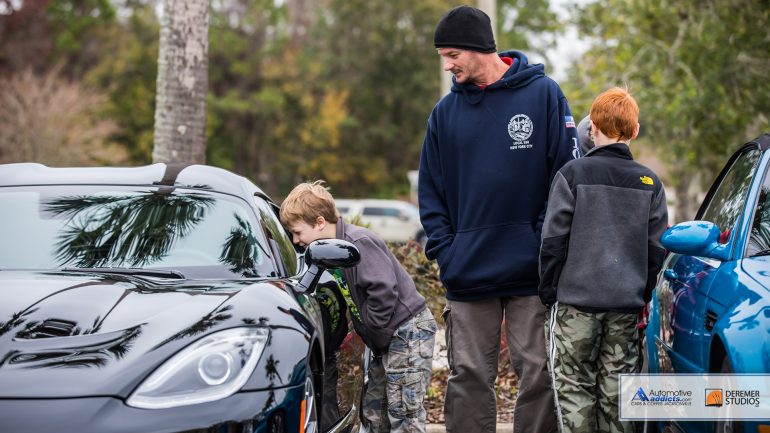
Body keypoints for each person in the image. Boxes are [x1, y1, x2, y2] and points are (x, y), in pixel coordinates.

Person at [418, 5, 580, 433]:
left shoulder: (544, 95)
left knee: (540, 375)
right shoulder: (444, 116)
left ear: (478, 49)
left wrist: (543, 246)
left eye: (452, 54)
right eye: (443, 55)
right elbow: (431, 195)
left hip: (532, 273)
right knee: (467, 377)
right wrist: (447, 253)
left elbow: (565, 178)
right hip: (468, 272)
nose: (447, 64)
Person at [538, 87, 668, 433]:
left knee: (573, 386)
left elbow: (552, 242)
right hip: (624, 306)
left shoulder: (572, 175)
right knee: (619, 392)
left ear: (591, 128)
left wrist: (549, 291)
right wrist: (642, 292)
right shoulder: (650, 183)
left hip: (575, 303)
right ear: (634, 131)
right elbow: (656, 251)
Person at [279, 181, 437, 433]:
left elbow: (383, 291)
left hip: (407, 333)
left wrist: (373, 331)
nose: (296, 241)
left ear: (320, 222)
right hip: (384, 339)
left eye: (298, 233)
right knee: (374, 411)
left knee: (403, 411)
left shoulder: (357, 242)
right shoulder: (329, 252)